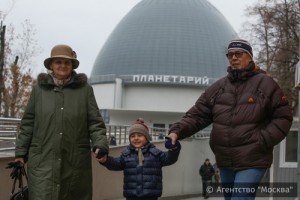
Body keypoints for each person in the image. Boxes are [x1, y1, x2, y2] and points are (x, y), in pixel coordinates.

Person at [167, 39, 293, 199]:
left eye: (238, 54)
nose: (233, 58)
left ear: (250, 57)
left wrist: (262, 141)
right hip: (225, 159)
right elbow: (197, 114)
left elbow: (284, 116)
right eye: (230, 55)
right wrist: (176, 132)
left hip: (253, 159)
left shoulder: (266, 84)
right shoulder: (218, 88)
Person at [14, 44, 109, 200]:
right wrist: (20, 154)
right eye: (58, 62)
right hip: (42, 162)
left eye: (67, 62)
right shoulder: (39, 90)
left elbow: (95, 123)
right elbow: (28, 124)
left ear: (72, 66)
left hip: (74, 162)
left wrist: (100, 145)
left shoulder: (85, 90)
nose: (62, 66)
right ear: (51, 65)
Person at [99, 118, 181, 200]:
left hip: (151, 196)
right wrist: (105, 160)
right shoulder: (126, 155)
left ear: (146, 137)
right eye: (132, 136)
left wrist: (174, 149)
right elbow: (115, 163)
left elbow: (170, 159)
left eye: (140, 135)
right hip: (131, 196)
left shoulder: (155, 154)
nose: (136, 138)